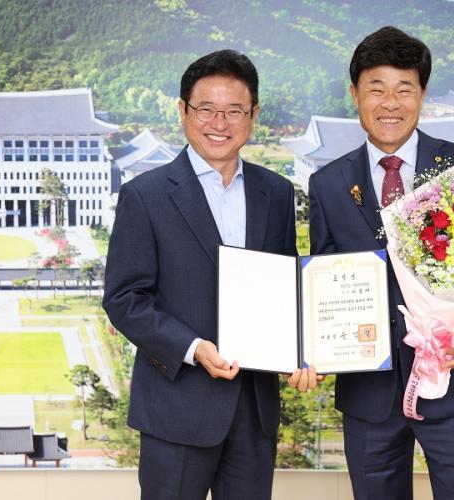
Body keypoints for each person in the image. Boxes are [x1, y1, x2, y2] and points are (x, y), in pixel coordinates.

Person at [308, 27, 454, 500]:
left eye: (404, 89)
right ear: (355, 94)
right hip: (368, 392)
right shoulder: (327, 183)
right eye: (376, 89)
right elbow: (323, 277)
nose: (391, 103)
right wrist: (314, 349)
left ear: (422, 94)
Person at [103, 49, 316, 500]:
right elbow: (125, 299)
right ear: (183, 111)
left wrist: (303, 351)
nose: (220, 123)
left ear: (253, 115)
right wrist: (194, 348)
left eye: (234, 110)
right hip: (176, 408)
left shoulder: (277, 193)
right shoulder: (145, 195)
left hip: (254, 410)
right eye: (206, 109)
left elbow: (285, 289)